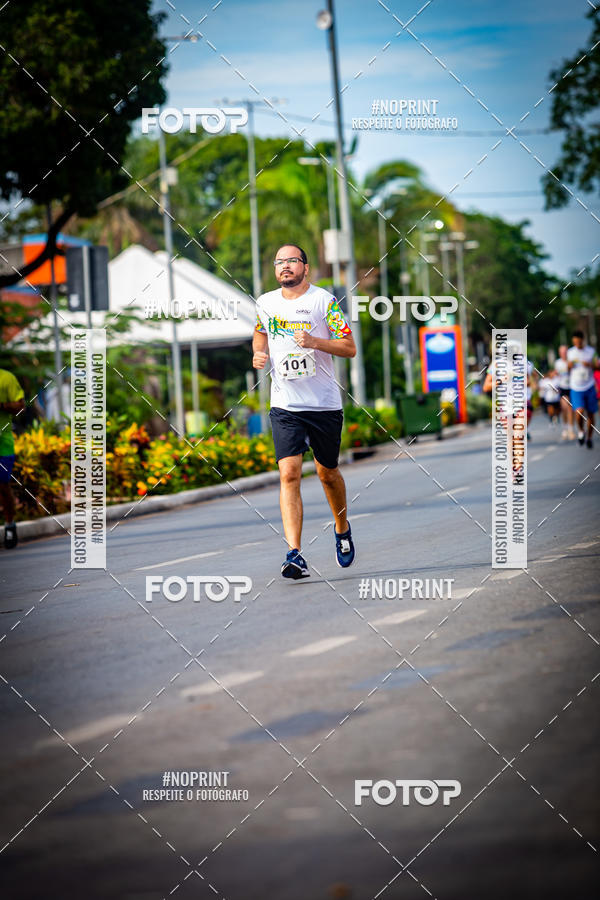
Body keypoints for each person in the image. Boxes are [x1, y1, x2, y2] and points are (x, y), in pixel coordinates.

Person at [253, 244, 357, 579]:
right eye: (279, 261)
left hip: (324, 404)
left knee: (327, 473)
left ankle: (341, 528)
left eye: (291, 261)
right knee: (289, 474)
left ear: (306, 267)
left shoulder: (323, 302)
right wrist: (259, 353)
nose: (284, 266)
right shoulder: (265, 303)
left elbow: (349, 347)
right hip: (285, 405)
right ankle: (294, 553)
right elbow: (259, 332)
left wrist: (315, 342)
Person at [0, 368, 25, 549]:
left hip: (3, 442)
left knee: (2, 484)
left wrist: (2, 406)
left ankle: (9, 524)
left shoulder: (6, 378)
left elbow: (20, 405)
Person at [567, 330, 597, 449]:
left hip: (589, 386)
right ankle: (581, 431)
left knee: (591, 414)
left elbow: (597, 365)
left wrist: (590, 365)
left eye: (579, 342)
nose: (577, 344)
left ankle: (589, 438)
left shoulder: (591, 351)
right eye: (575, 342)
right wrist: (569, 366)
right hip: (576, 387)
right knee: (579, 412)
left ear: (582, 340)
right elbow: (568, 368)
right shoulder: (570, 352)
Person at [554, 344, 574, 440]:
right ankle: (565, 428)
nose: (563, 354)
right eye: (561, 352)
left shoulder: (571, 362)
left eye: (565, 352)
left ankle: (570, 429)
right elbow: (557, 374)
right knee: (564, 408)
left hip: (572, 386)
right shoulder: (557, 363)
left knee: (570, 408)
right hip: (562, 387)